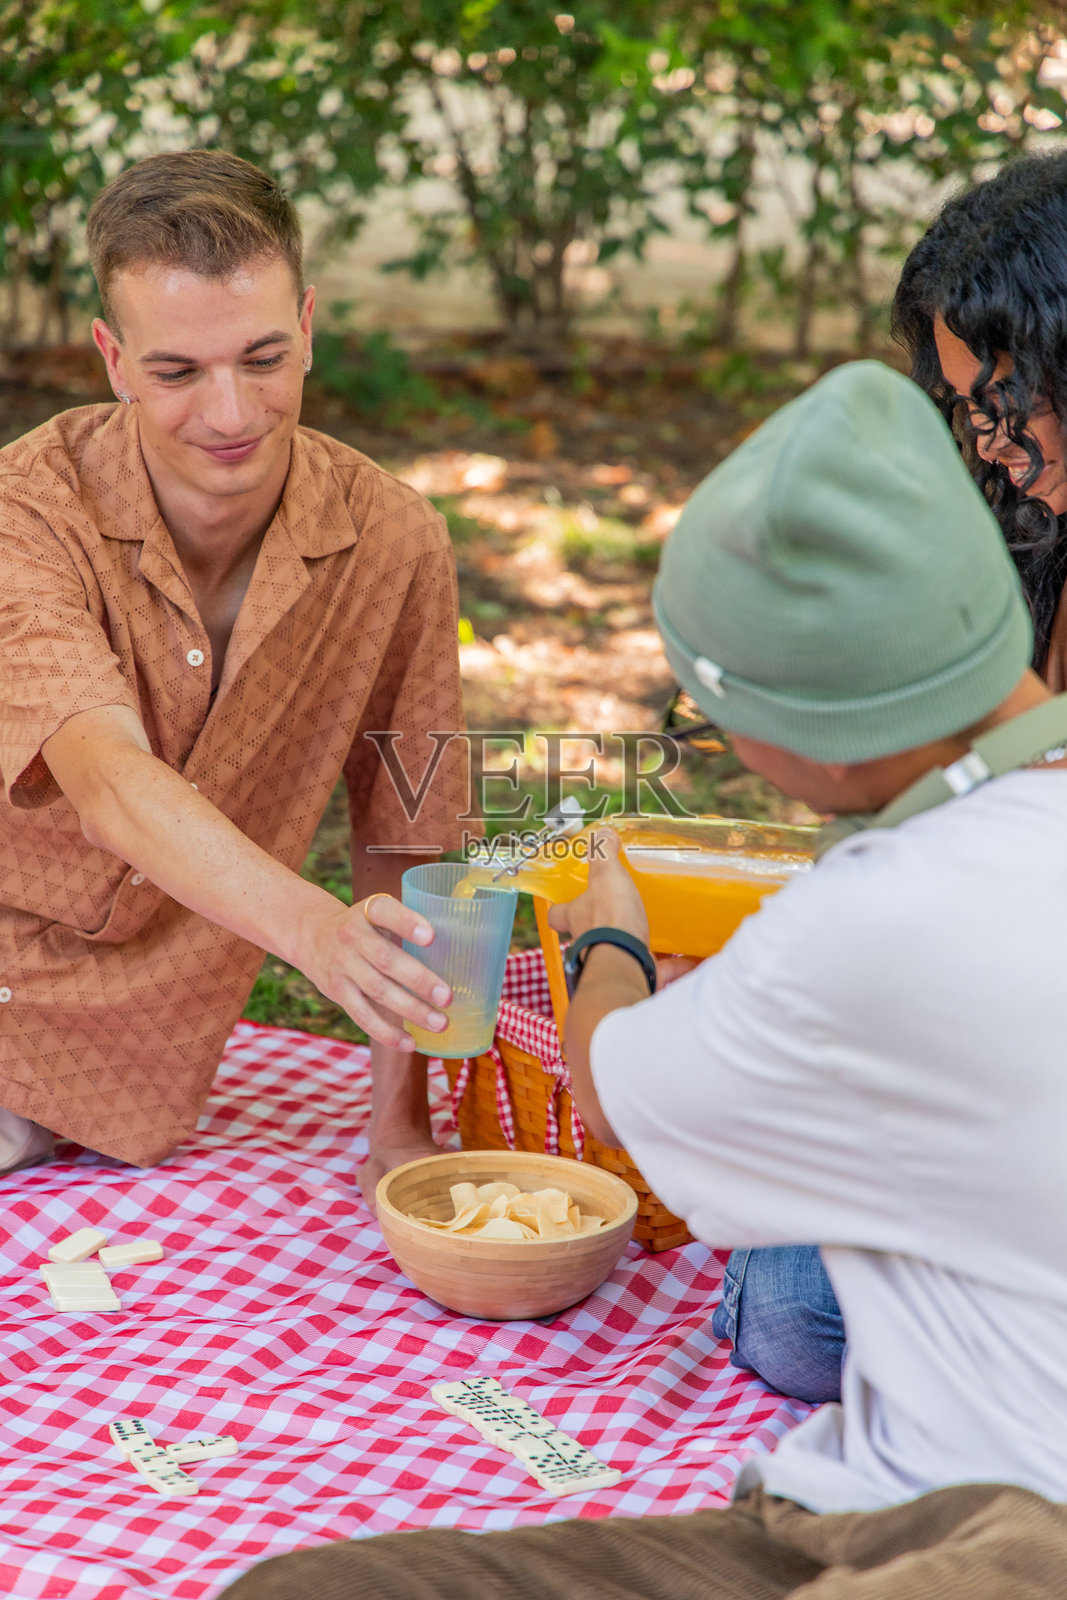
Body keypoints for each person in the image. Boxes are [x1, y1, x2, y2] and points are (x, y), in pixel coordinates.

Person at [220, 360, 1067, 1598]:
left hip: (995, 1526)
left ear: (801, 731)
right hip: (861, 1491)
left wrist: (607, 943)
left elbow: (608, 1095)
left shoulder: (869, 913)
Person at [0, 149, 470, 1192]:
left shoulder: (394, 540)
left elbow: (410, 834)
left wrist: (396, 1128)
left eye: (262, 358)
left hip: (130, 1072)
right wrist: (315, 930)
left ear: (306, 326)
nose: (229, 413)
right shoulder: (23, 510)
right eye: (177, 372)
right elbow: (107, 781)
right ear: (113, 359)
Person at [719, 148, 1067, 1404]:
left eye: (1007, 400)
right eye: (961, 403)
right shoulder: (1023, 531)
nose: (984, 440)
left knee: (794, 1308)